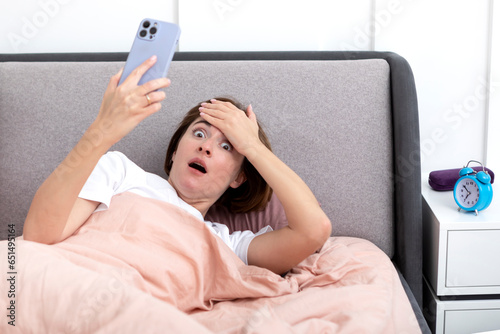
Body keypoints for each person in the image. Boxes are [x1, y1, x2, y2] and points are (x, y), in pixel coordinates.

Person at [23, 56, 332, 275]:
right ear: (174, 153)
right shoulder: (121, 172)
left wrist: (252, 146)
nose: (205, 146)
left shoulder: (223, 244)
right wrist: (101, 131)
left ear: (239, 177)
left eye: (227, 146)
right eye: (199, 133)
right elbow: (39, 236)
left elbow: (314, 230)